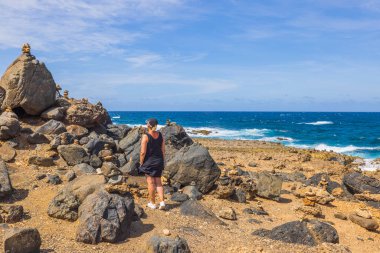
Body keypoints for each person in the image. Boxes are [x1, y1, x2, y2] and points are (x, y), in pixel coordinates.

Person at [139, 118, 166, 210]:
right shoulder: (161, 135)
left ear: (149, 125)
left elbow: (143, 152)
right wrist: (162, 161)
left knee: (150, 183)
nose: (146, 124)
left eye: (147, 123)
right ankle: (162, 202)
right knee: (158, 182)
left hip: (149, 162)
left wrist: (141, 162)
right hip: (159, 161)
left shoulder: (145, 136)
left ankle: (153, 203)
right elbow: (163, 150)